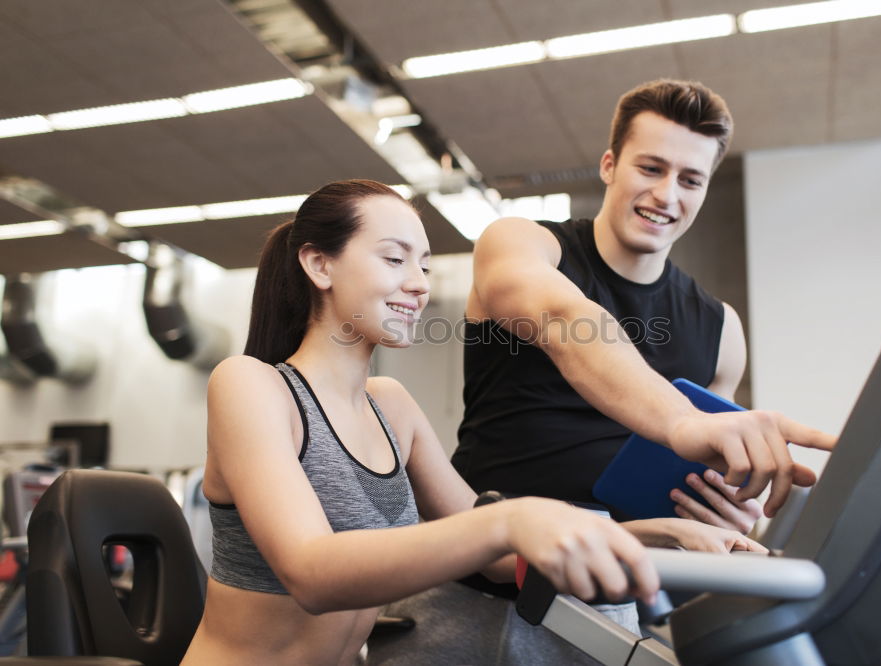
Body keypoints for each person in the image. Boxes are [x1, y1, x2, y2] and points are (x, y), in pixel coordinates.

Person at [180, 179, 749, 666]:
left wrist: (656, 536)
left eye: (425, 265)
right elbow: (312, 572)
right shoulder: (252, 385)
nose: (420, 283)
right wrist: (512, 519)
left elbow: (501, 562)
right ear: (319, 263)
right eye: (395, 258)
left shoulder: (391, 406)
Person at [367, 80, 833, 664]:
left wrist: (727, 503)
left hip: (604, 612)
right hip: (470, 588)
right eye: (651, 168)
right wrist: (683, 424)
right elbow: (567, 322)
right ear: (610, 165)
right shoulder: (523, 244)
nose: (667, 194)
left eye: (691, 180)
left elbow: (695, 486)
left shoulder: (720, 329)